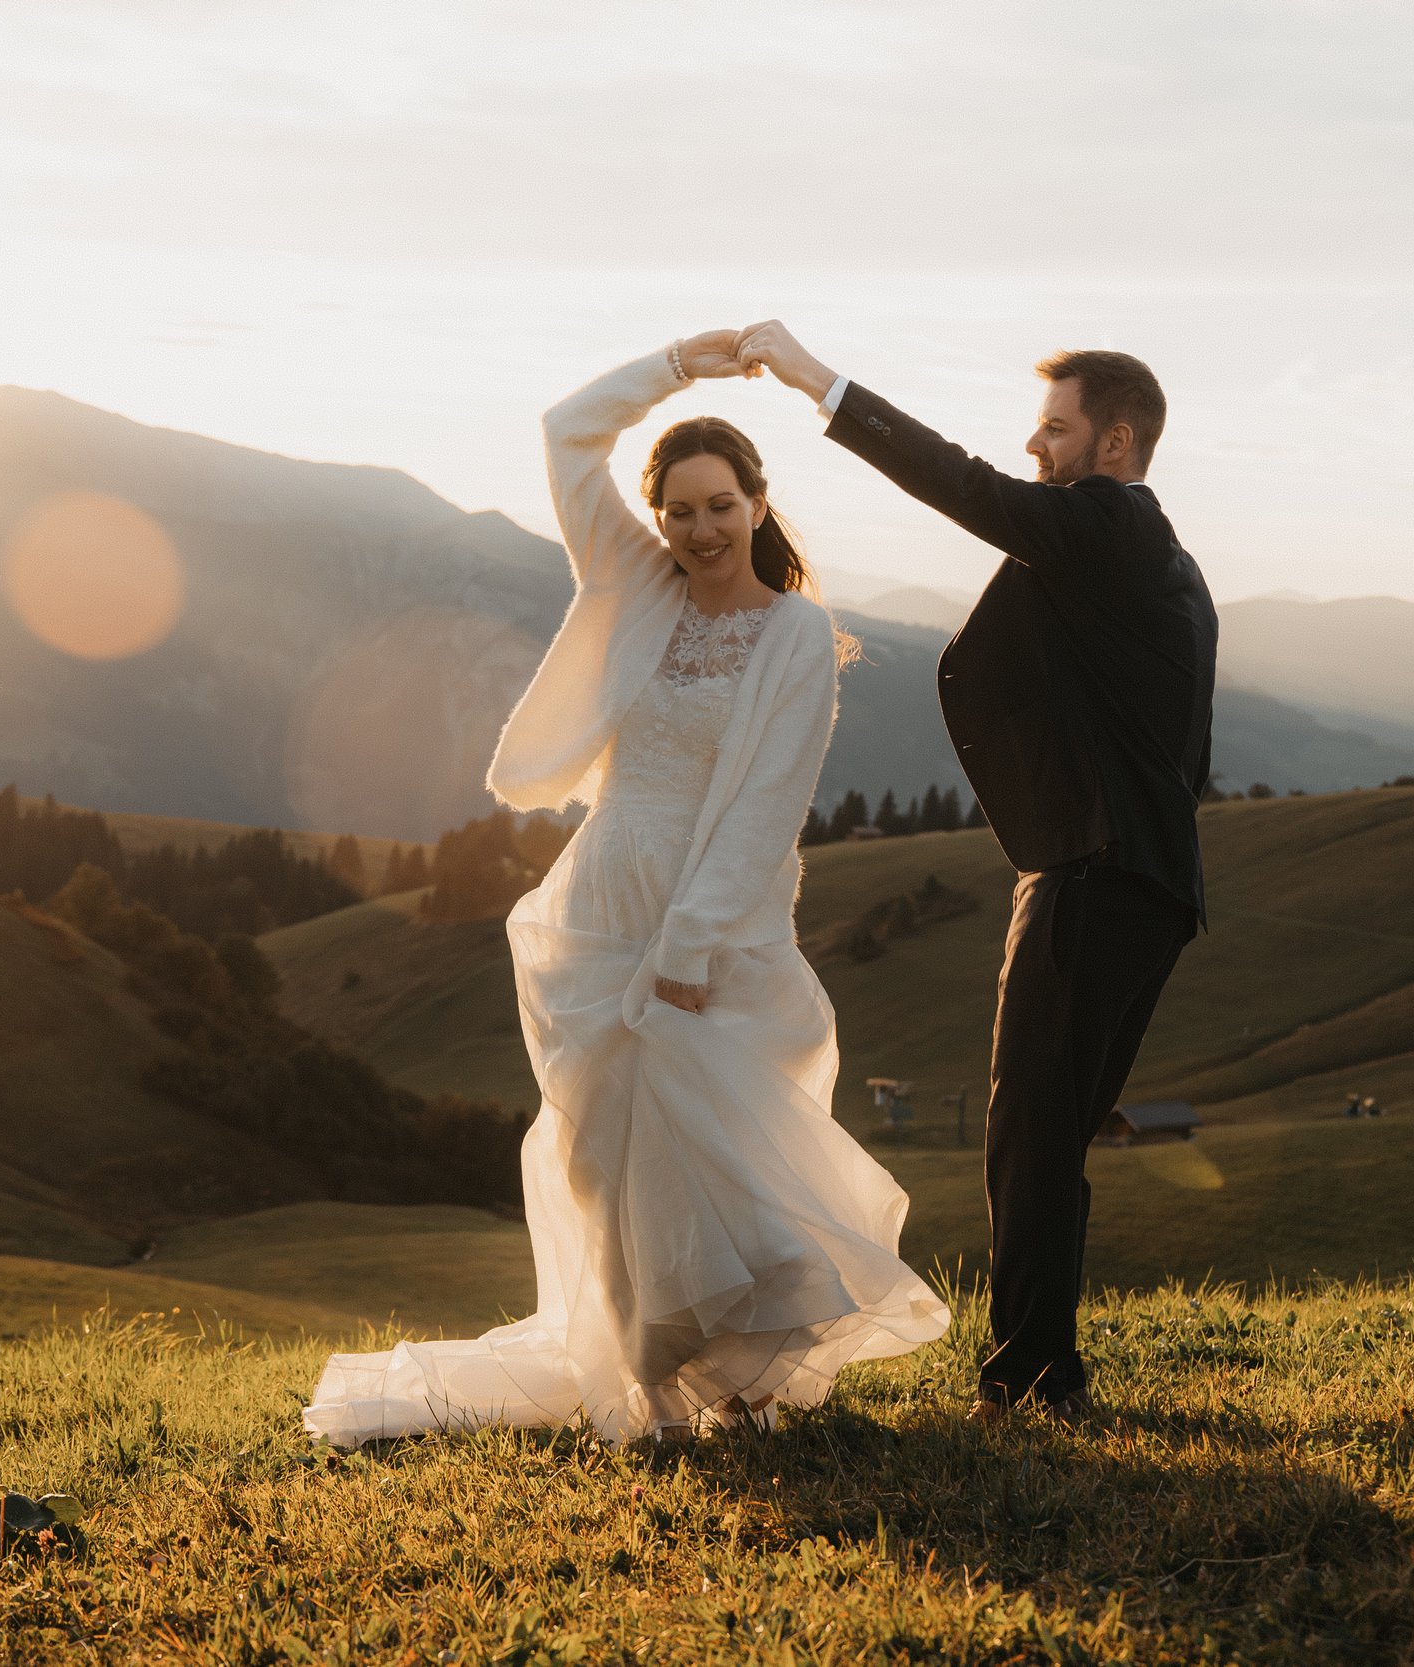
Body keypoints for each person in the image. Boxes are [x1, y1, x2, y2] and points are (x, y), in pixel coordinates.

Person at [302, 335, 949, 1447]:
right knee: (602, 1158)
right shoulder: (632, 580)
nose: (699, 530)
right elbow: (565, 431)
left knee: (727, 1150)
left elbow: (764, 803)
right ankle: (641, 1391)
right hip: (600, 897)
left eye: (720, 505)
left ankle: (735, 1375)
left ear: (758, 502)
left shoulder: (795, 633)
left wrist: (691, 951)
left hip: (715, 913)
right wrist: (678, 365)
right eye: (679, 510)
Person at [739, 321, 1217, 1422]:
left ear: (1114, 441)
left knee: (1028, 1132)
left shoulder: (1104, 526)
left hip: (1091, 875)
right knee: (1046, 1136)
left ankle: (1031, 1378)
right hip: (1141, 880)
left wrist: (820, 381)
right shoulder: (1160, 558)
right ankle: (1040, 1369)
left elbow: (962, 486)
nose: (1033, 445)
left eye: (1055, 428)